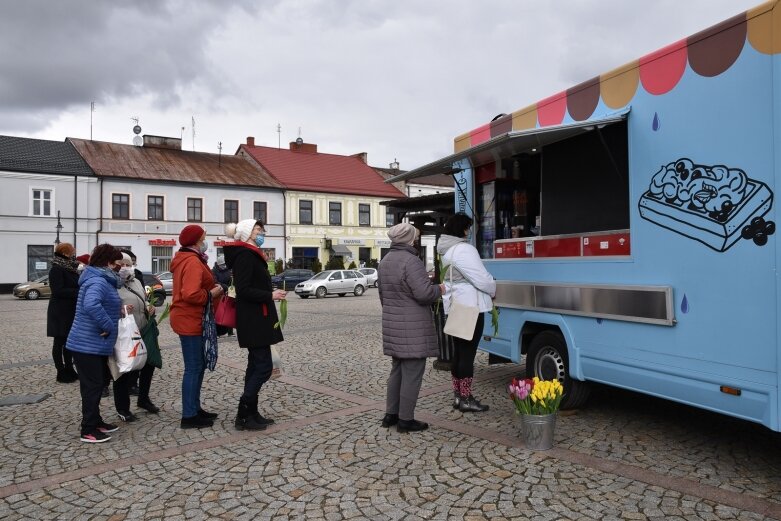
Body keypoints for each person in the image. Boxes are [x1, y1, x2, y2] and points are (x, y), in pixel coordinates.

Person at [377, 222, 444, 433]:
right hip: (413, 327)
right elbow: (424, 294)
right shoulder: (411, 261)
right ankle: (406, 419)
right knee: (413, 372)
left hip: (393, 323)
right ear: (409, 239)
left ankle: (391, 414)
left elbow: (383, 296)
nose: (416, 239)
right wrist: (440, 288)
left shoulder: (386, 260)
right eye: (415, 236)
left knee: (397, 370)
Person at [223, 219, 286, 431]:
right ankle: (242, 413)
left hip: (259, 317)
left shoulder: (252, 254)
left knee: (254, 366)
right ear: (248, 233)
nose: (262, 233)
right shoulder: (245, 256)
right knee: (263, 367)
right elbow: (244, 289)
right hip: (253, 319)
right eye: (258, 230)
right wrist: (270, 294)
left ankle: (251, 411)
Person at [437, 213, 497, 413]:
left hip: (455, 306)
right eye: (468, 227)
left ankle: (458, 397)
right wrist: (493, 288)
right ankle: (466, 398)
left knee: (459, 353)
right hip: (470, 307)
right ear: (462, 229)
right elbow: (481, 278)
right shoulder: (464, 249)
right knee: (467, 355)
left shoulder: (446, 251)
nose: (469, 231)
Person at [66, 244, 123, 443]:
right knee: (93, 386)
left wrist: (119, 310)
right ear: (107, 262)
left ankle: (96, 421)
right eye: (117, 264)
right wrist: (107, 324)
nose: (120, 268)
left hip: (93, 343)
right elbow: (91, 304)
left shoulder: (100, 279)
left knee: (97, 384)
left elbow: (102, 303)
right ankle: (88, 429)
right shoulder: (99, 280)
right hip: (86, 343)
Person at [170, 224, 223, 429]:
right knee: (193, 368)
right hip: (190, 319)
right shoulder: (192, 261)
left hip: (191, 318)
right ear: (195, 241)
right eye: (203, 238)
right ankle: (189, 415)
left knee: (197, 366)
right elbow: (190, 294)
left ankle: (194, 408)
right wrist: (212, 294)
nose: (205, 241)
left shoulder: (188, 258)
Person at [113, 253, 159, 421]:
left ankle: (143, 399)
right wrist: (121, 310)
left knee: (148, 364)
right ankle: (123, 408)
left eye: (129, 263)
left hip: (143, 329)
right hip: (124, 333)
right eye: (122, 264)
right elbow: (108, 305)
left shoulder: (137, 281)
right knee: (125, 371)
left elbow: (144, 299)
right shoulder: (112, 284)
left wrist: (149, 306)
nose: (126, 267)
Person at [47, 242, 80, 383]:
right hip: (60, 312)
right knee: (59, 342)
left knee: (69, 342)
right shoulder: (57, 269)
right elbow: (58, 290)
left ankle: (69, 368)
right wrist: (79, 292)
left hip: (70, 310)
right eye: (72, 252)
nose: (74, 254)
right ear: (66, 253)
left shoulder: (70, 268)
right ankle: (60, 371)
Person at [212, 255, 234, 337]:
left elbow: (231, 281)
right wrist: (226, 287)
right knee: (219, 313)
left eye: (225, 264)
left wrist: (231, 288)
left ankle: (230, 332)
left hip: (229, 292)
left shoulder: (229, 270)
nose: (224, 266)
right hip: (219, 294)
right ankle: (218, 332)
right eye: (222, 264)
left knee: (229, 312)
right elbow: (215, 282)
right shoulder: (214, 271)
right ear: (218, 264)